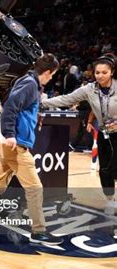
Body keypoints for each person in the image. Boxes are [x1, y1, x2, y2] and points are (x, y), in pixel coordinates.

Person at [0, 53, 64, 246]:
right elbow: (10, 108)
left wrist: (35, 117)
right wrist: (10, 134)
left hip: (8, 143)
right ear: (47, 72)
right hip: (16, 145)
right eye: (52, 75)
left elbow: (22, 110)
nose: (51, 78)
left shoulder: (30, 84)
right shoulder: (28, 84)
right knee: (35, 189)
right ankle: (39, 231)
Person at [43, 54, 117, 211]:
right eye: (97, 72)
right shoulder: (89, 89)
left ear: (112, 72)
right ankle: (110, 199)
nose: (100, 76)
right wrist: (41, 103)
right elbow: (66, 99)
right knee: (105, 169)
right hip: (105, 134)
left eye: (104, 72)